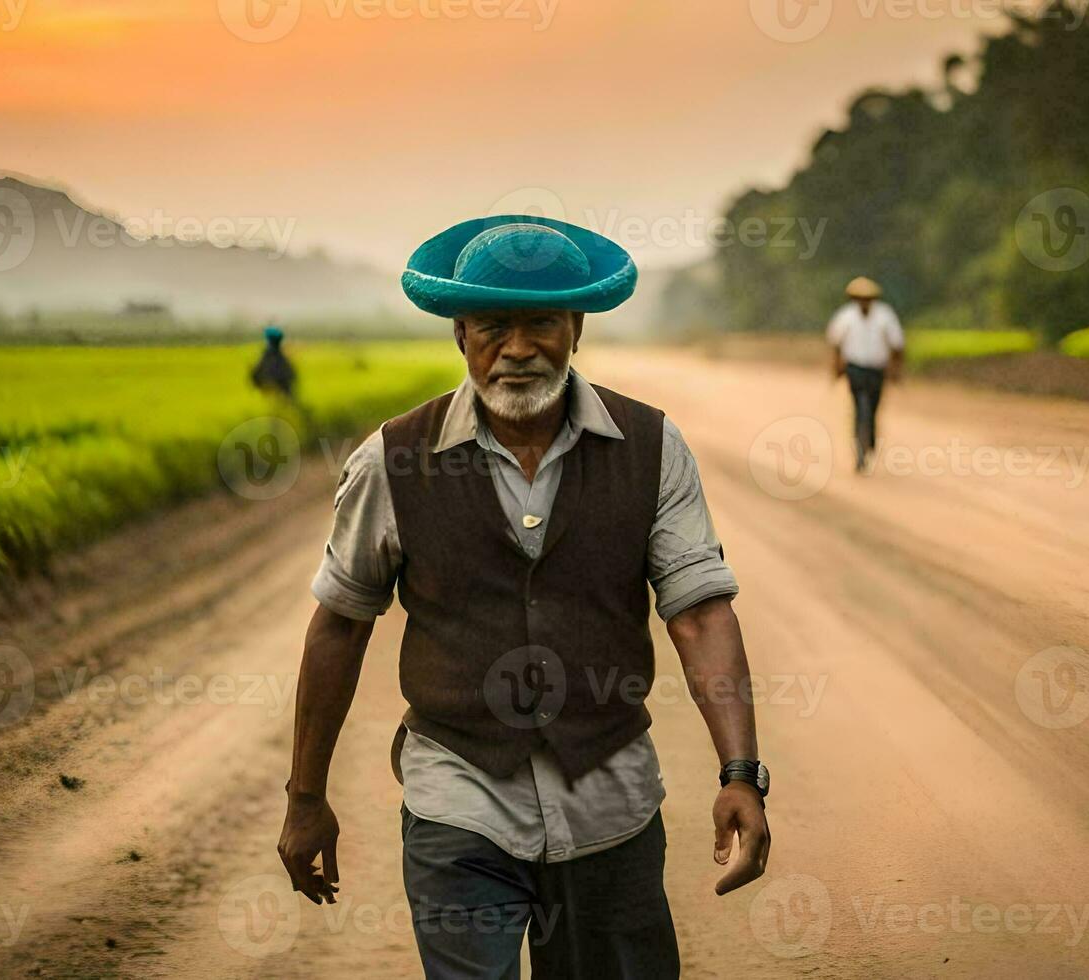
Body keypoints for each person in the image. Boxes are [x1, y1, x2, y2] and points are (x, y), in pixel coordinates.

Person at [277, 215, 771, 979]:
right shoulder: (394, 460)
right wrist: (305, 797)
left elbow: (700, 613)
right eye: (491, 327)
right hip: (459, 803)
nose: (516, 348)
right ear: (459, 335)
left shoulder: (651, 448)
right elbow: (339, 626)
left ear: (576, 326)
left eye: (540, 322)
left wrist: (741, 774)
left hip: (611, 809)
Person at [826, 277, 905, 473]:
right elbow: (836, 344)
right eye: (860, 298)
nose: (863, 302)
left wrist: (896, 370)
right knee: (859, 405)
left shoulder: (885, 316)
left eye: (867, 299)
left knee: (874, 407)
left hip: (877, 370)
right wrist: (836, 368)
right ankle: (860, 451)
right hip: (855, 369)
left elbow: (897, 345)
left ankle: (869, 440)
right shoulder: (846, 316)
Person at [251, 324, 297, 400]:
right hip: (281, 380)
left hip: (275, 380)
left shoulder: (269, 353)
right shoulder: (279, 354)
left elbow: (260, 368)